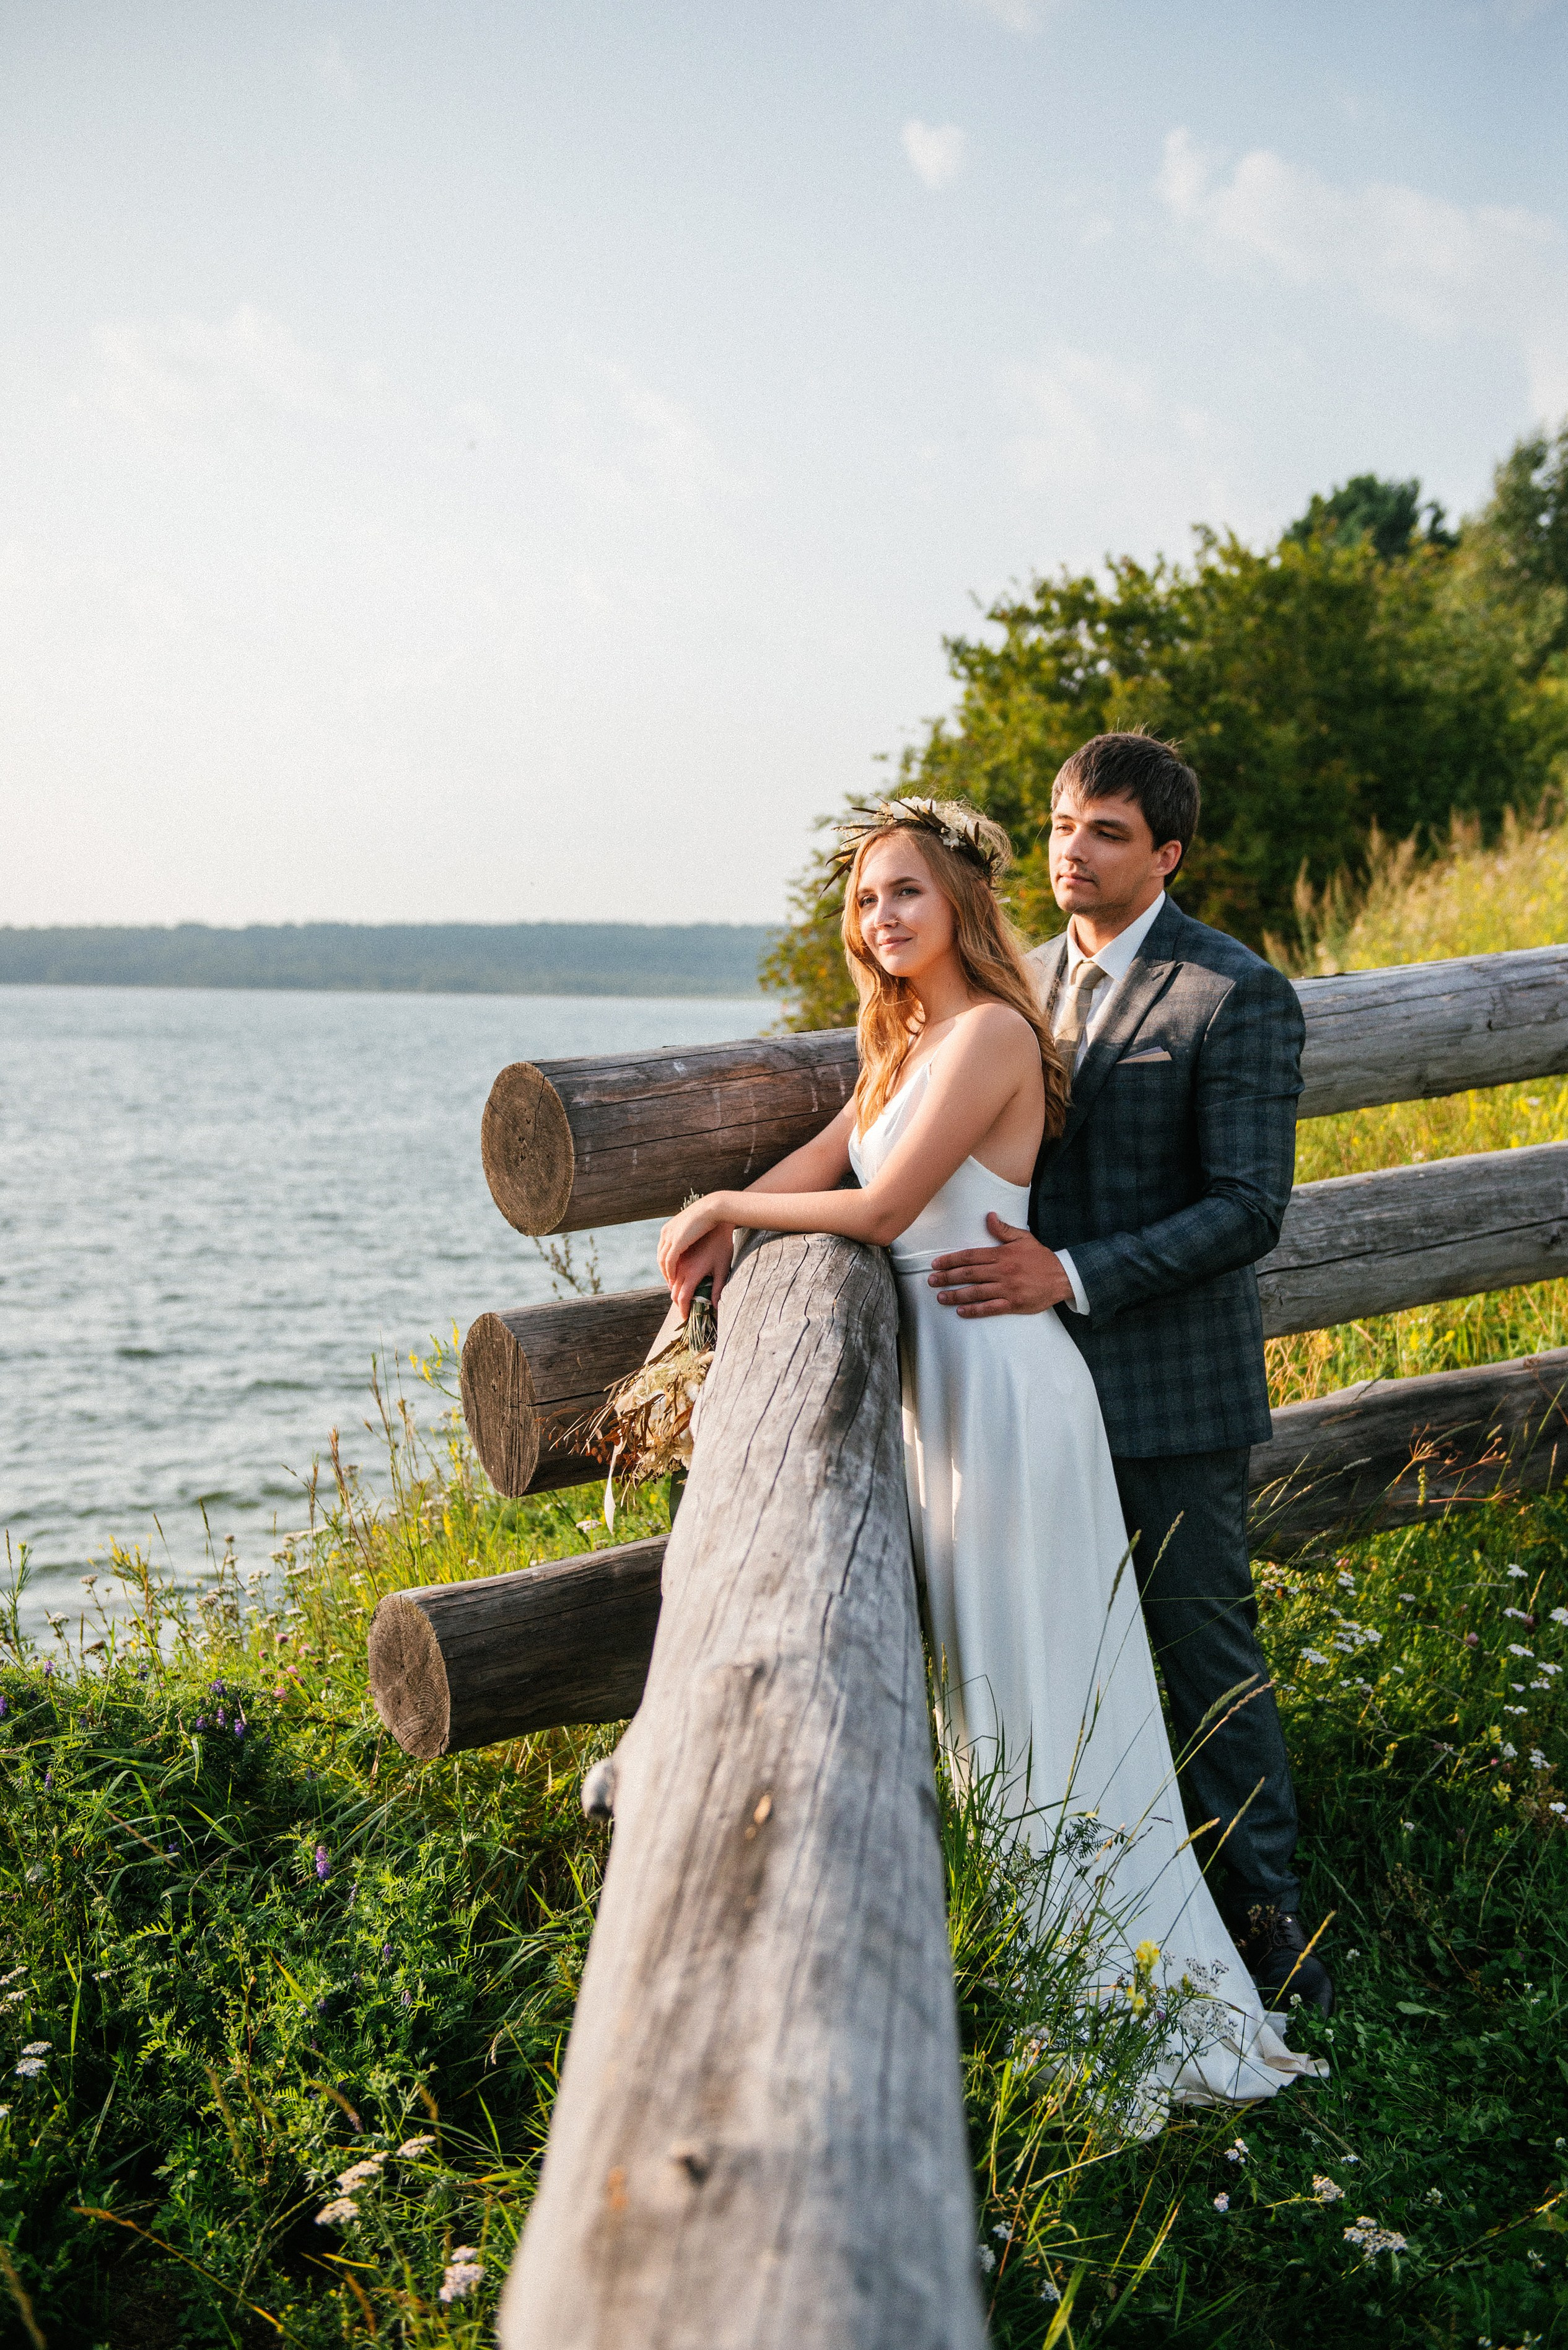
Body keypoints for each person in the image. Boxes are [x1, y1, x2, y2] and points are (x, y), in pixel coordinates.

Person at [657, 790, 1324, 2121]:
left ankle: (1144, 1975)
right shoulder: (902, 1041)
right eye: (864, 898)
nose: (880, 916)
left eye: (905, 890)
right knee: (981, 1686)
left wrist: (725, 1199)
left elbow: (885, 1206)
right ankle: (1032, 1950)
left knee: (1041, 1674)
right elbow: (831, 1157)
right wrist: (731, 1226)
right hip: (946, 1394)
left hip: (1009, 1388)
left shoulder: (990, 1035)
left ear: (961, 901)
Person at [920, 732, 1333, 2017]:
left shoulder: (1233, 991)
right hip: (1016, 1392)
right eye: (1060, 825)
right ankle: (1075, 1910)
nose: (1073, 852)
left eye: (1105, 831)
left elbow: (1248, 1206)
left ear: (1167, 855)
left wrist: (1073, 1273)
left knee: (1205, 1656)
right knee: (1048, 1647)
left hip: (1167, 1391)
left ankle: (1272, 1930)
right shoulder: (1013, 982)